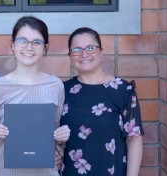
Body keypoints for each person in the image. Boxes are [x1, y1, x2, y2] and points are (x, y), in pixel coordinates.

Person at [0, 16, 70, 176]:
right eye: (23, 41)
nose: (29, 47)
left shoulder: (56, 86)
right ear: (12, 45)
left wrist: (61, 139)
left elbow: (55, 138)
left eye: (37, 42)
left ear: (45, 48)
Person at [60, 27, 144, 176]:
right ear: (70, 56)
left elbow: (134, 139)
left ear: (101, 52)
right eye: (77, 50)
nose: (84, 54)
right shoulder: (62, 91)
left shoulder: (123, 90)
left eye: (90, 48)